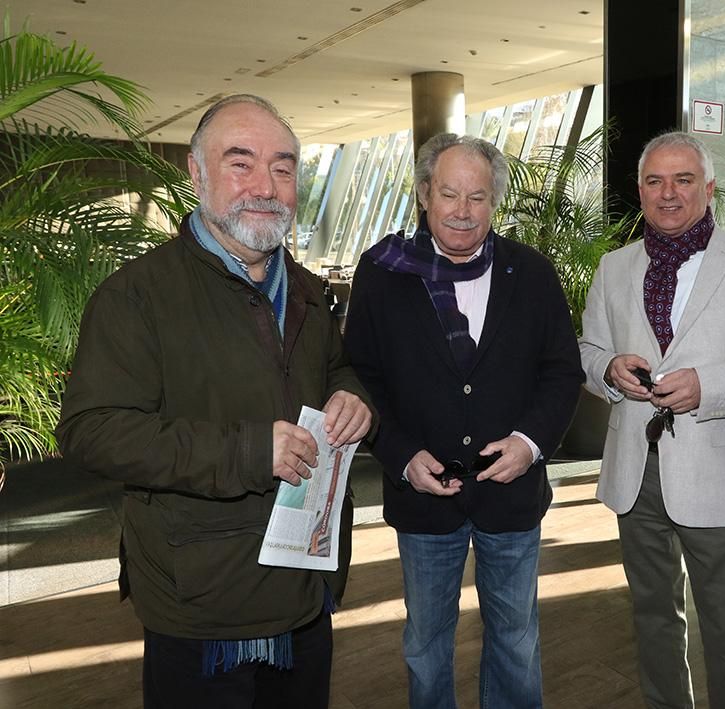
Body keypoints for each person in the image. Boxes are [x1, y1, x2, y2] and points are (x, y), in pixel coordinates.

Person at [56, 94, 375, 708]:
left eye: (283, 167)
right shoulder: (136, 298)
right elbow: (92, 430)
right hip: (200, 601)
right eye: (240, 162)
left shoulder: (308, 291)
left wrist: (354, 397)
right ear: (196, 174)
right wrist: (250, 450)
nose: (266, 185)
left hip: (305, 583)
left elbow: (339, 370)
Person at [344, 133, 584, 709]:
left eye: (477, 197)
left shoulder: (531, 273)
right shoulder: (382, 273)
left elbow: (561, 371)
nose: (461, 210)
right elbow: (359, 378)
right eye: (449, 193)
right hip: (425, 497)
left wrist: (530, 443)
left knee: (517, 642)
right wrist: (400, 455)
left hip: (512, 495)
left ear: (494, 202)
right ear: (425, 193)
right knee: (425, 647)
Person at [579, 131, 725, 709]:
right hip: (635, 474)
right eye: (654, 181)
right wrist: (609, 369)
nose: (668, 193)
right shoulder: (613, 267)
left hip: (720, 481)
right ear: (639, 190)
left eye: (683, 180)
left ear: (708, 187)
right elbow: (586, 351)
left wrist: (711, 385)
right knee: (653, 618)